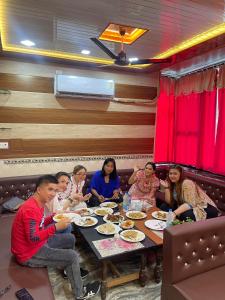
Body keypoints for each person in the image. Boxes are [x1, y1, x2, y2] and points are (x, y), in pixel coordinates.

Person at [11, 175, 100, 300]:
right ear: (39, 189)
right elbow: (33, 238)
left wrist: (58, 216)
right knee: (72, 256)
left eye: (55, 190)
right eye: (50, 189)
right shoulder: (30, 209)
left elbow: (41, 223)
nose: (53, 194)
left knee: (70, 238)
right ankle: (80, 293)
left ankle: (67, 270)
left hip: (37, 244)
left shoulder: (38, 202)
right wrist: (55, 227)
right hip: (28, 253)